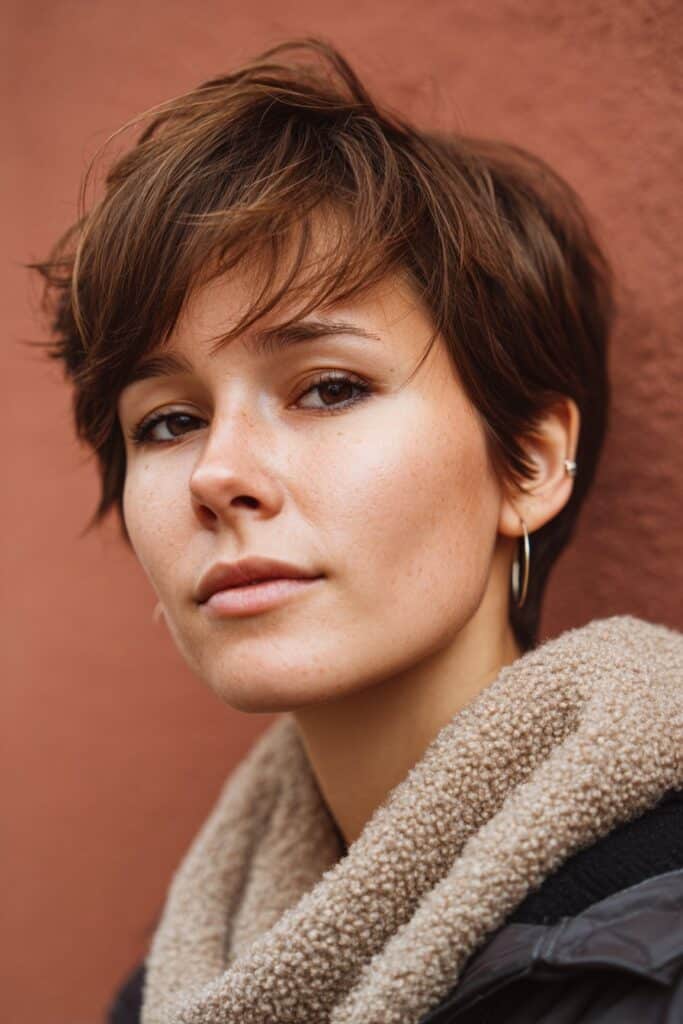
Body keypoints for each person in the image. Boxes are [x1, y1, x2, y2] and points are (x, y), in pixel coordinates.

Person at [33, 36, 682, 1024]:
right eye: (167, 421)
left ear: (531, 462)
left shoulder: (646, 951)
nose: (217, 474)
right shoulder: (174, 985)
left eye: (328, 388)